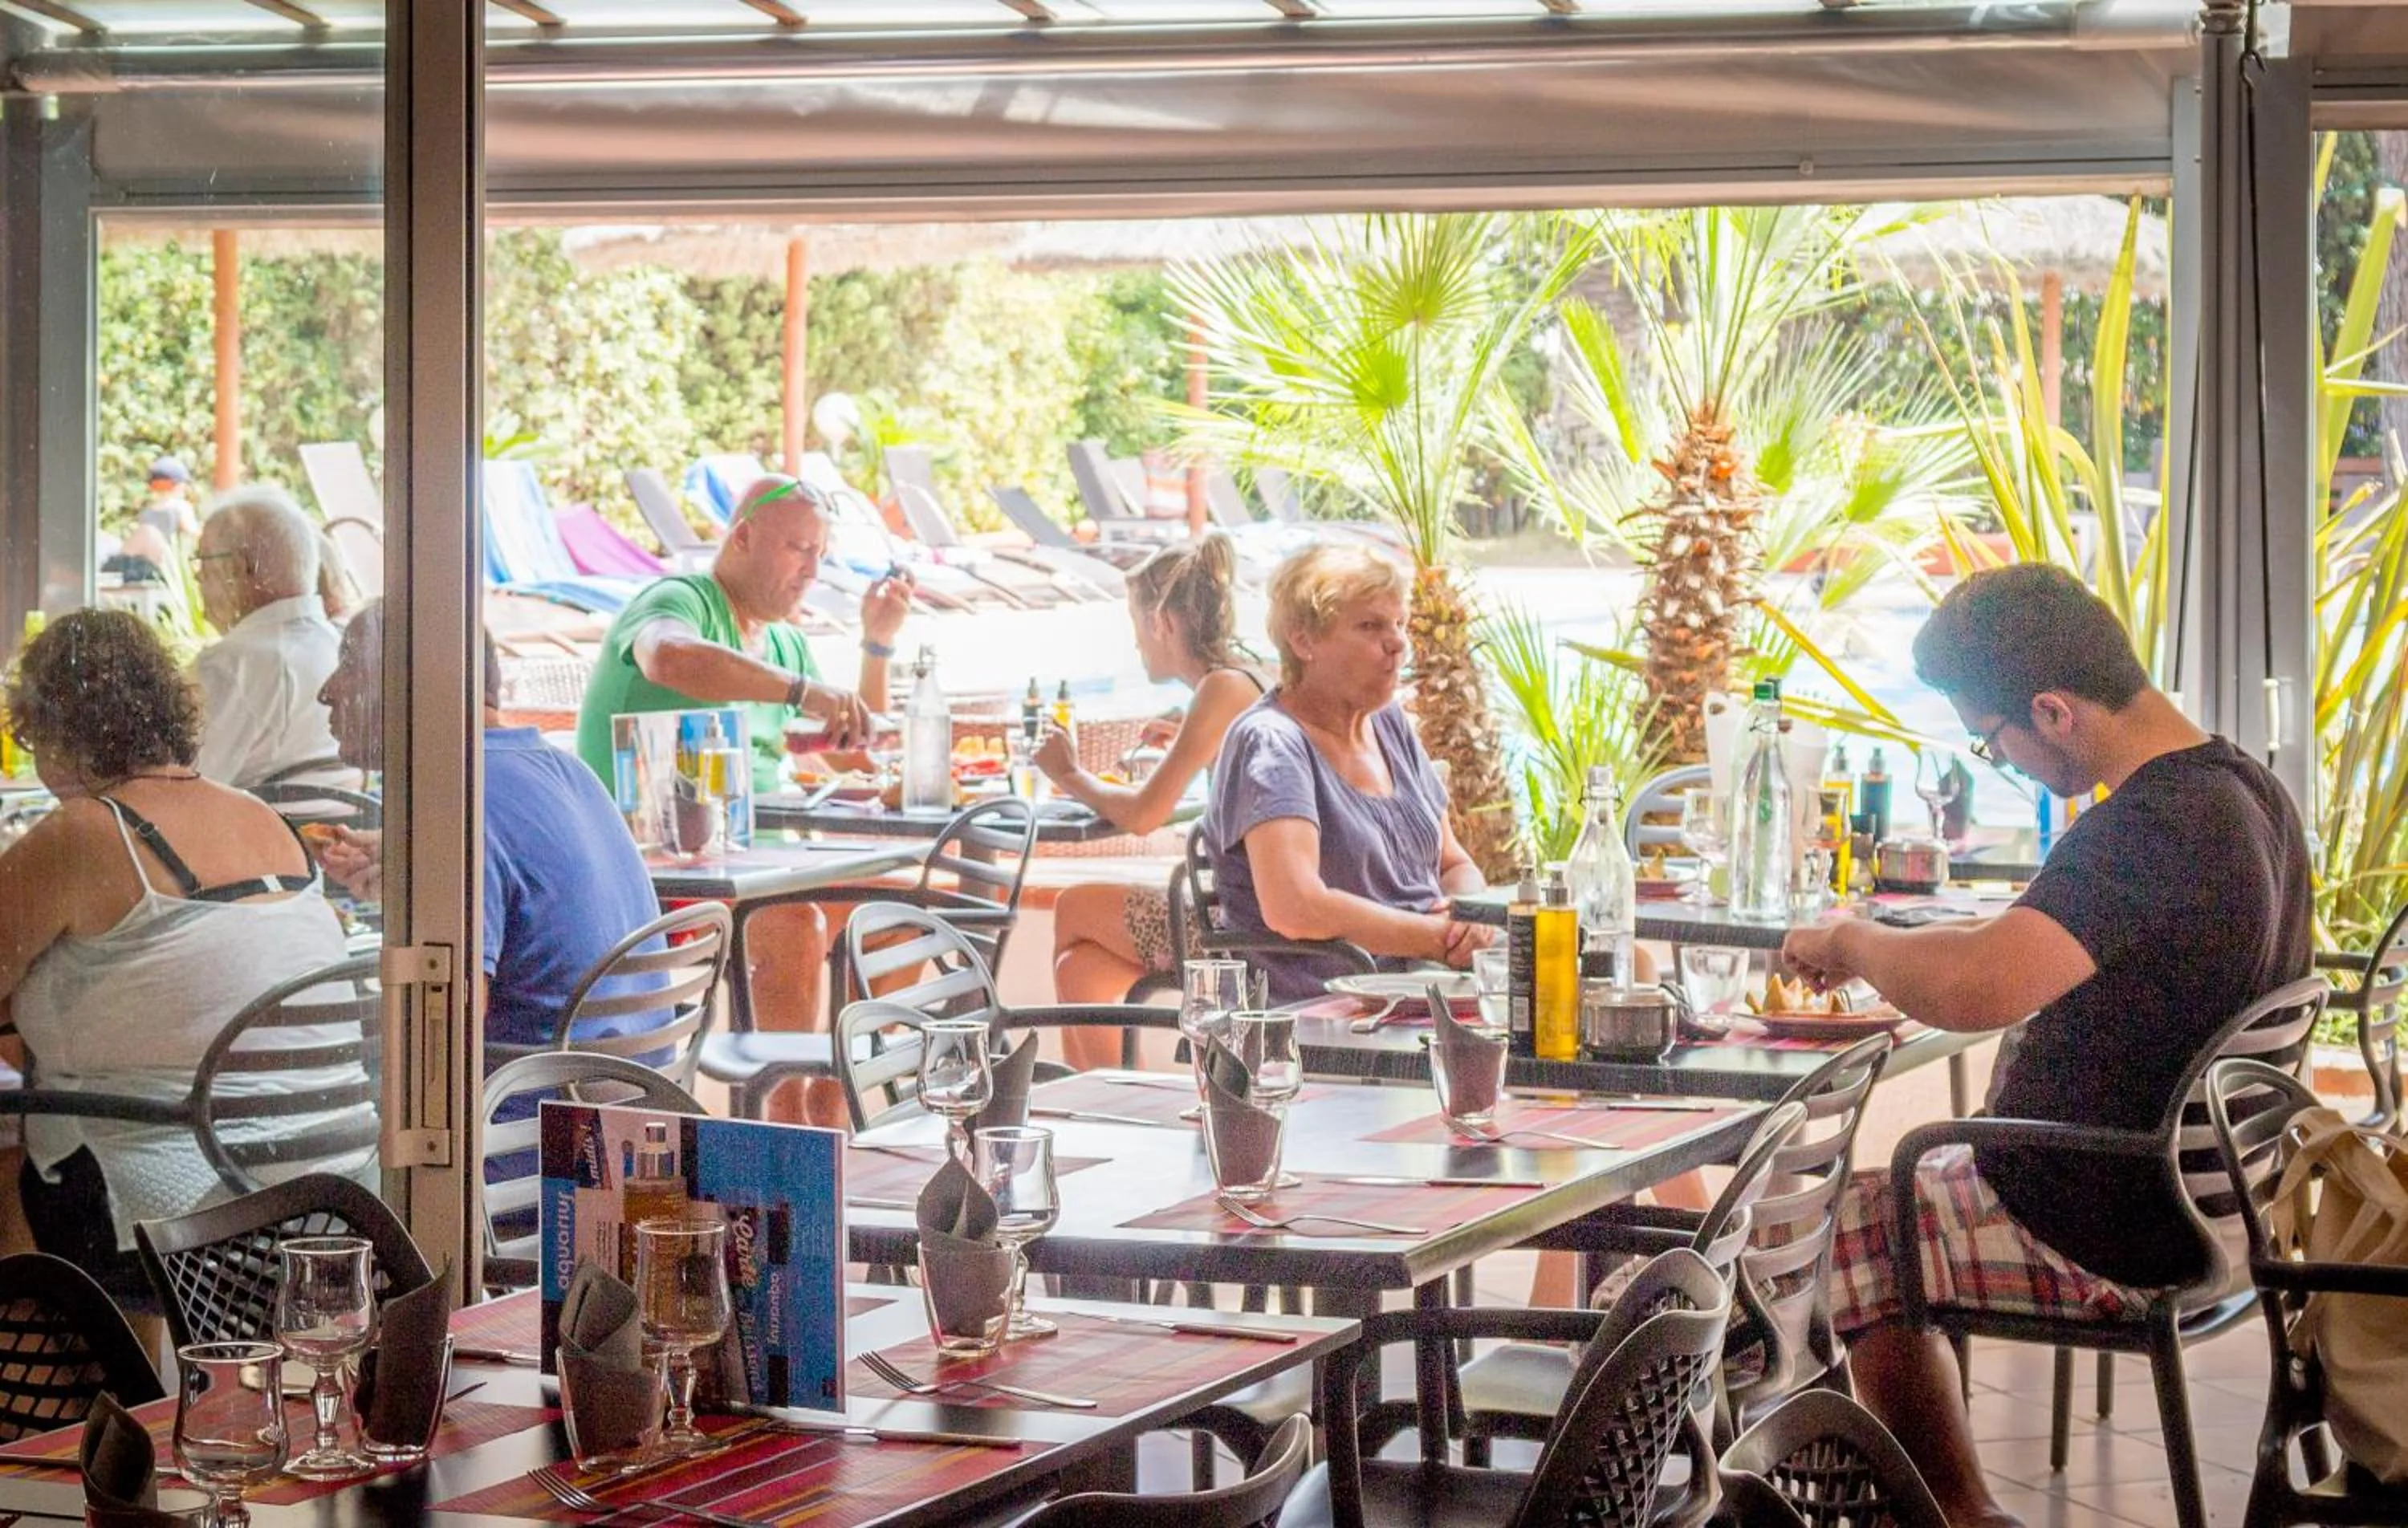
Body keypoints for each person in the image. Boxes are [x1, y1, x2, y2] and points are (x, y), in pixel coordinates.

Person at [1780, 564, 2311, 1528]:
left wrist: (1856, 939)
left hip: (2112, 1226)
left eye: (1994, 743)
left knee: (1840, 1222)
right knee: (1897, 1189)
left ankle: (1958, 1513)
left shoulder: (2149, 826)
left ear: (2053, 710)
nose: (2006, 761)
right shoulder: (2250, 791)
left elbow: (1973, 988)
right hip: (2222, 1209)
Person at [0, 611, 354, 1300]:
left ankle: (78, 1401)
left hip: (178, 1189)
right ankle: (134, 1388)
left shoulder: (85, 830)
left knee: (5, 1166)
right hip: (327, 1178)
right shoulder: (264, 817)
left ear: (51, 732)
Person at [573, 473, 910, 1122]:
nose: (811, 569)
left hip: (757, 873)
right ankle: (782, 1125)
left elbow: (856, 748)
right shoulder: (683, 599)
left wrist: (876, 644)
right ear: (744, 536)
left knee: (895, 922)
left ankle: (828, 1109)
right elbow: (667, 656)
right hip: (656, 875)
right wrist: (799, 691)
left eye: (819, 553)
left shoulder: (783, 641)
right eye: (796, 548)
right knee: (793, 923)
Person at [313, 602, 669, 1062]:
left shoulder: (455, 805)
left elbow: (444, 1042)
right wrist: (411, 877)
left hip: (539, 1117)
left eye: (349, 664)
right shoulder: (565, 771)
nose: (328, 691)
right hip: (634, 1101)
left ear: (411, 681)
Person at [1201, 543, 1491, 1004]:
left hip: (1427, 988)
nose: (1397, 642)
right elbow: (1294, 906)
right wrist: (1435, 939)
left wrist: (1474, 915)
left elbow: (1454, 864)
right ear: (1304, 641)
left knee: (1611, 974)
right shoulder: (1273, 742)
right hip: (1328, 1006)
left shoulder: (1389, 724)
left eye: (1399, 624)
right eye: (1371, 626)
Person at [1044, 532, 1265, 1067]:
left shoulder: (1221, 689)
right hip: (1240, 910)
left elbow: (1145, 814)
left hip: (1237, 928)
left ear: (1161, 623)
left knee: (1073, 906)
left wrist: (1068, 772)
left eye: (1136, 626)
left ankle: (1107, 1103)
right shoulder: (1244, 679)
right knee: (1080, 970)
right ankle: (1113, 1105)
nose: (1138, 644)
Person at [191, 485, 348, 788]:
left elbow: (186, 787)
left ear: (237, 568)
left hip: (251, 833)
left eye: (203, 561)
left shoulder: (231, 665)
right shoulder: (338, 645)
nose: (198, 577)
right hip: (338, 831)